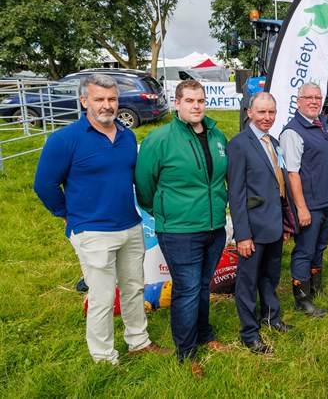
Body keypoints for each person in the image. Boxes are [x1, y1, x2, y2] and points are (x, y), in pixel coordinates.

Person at [34, 74, 170, 364]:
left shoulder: (127, 135)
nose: (106, 105)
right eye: (99, 99)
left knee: (134, 288)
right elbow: (44, 185)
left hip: (130, 225)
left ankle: (138, 341)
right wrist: (67, 214)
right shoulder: (65, 139)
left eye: (111, 99)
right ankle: (104, 357)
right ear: (85, 101)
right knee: (103, 296)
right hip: (92, 231)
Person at [134, 79, 229, 377]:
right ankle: (186, 353)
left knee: (201, 286)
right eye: (189, 101)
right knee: (187, 290)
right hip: (180, 230)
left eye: (200, 100)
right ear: (177, 104)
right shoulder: (159, 139)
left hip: (214, 226)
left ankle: (205, 334)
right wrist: (167, 213)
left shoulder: (217, 136)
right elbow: (144, 186)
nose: (196, 106)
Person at [227, 92, 297, 355]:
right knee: (248, 281)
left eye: (271, 112)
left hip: (274, 226)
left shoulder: (274, 142)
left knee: (270, 275)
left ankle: (271, 316)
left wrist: (285, 225)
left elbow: (279, 185)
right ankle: (249, 331)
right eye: (261, 112)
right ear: (249, 113)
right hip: (253, 229)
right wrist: (242, 235)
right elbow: (236, 193)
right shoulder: (239, 144)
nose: (267, 117)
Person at [279, 82, 328, 318]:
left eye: (318, 97)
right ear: (298, 101)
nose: (314, 101)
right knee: (305, 250)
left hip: (326, 202)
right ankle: (302, 300)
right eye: (309, 98)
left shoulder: (323, 125)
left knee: (320, 247)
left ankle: (316, 289)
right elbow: (292, 173)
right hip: (309, 206)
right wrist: (301, 208)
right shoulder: (293, 131)